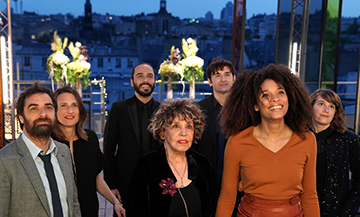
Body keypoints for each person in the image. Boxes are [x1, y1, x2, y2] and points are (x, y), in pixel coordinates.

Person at [216, 64, 320, 216]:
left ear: (289, 99)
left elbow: (310, 195)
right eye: (265, 95)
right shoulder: (237, 142)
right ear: (255, 106)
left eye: (280, 92)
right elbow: (227, 196)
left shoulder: (307, 140)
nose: (275, 99)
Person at [127, 98, 219, 217]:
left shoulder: (203, 164)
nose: (184, 132)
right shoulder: (146, 166)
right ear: (162, 133)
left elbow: (213, 208)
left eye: (189, 126)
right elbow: (134, 210)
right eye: (176, 126)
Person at [0, 83, 81, 217]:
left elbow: (73, 204)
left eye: (48, 108)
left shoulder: (63, 152)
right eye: (34, 109)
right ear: (21, 117)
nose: (43, 114)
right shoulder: (5, 161)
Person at [51, 86, 126, 217]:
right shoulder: (47, 142)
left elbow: (95, 177)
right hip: (59, 211)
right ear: (54, 110)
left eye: (74, 105)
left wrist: (115, 202)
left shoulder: (90, 139)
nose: (70, 110)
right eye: (63, 105)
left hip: (88, 209)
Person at [103, 62, 161, 209]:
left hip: (157, 182)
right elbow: (108, 149)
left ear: (155, 81)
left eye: (149, 76)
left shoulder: (164, 110)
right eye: (140, 76)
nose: (145, 80)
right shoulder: (119, 109)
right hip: (125, 182)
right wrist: (111, 184)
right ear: (132, 82)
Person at [310, 89, 360, 216]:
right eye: (321, 104)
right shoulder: (298, 138)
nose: (326, 110)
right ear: (310, 107)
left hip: (337, 212)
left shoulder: (350, 140)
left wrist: (347, 211)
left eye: (331, 106)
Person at [194, 57, 236, 181]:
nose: (223, 79)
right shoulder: (198, 109)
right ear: (210, 82)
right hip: (205, 178)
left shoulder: (243, 109)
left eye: (227, 75)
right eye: (217, 75)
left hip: (238, 178)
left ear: (234, 79)